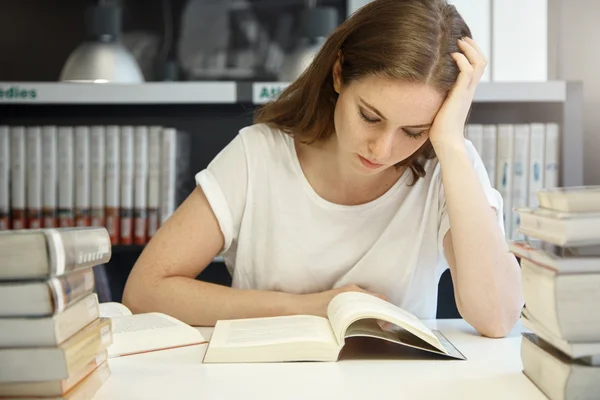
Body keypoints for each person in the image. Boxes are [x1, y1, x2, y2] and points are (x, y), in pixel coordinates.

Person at [123, 0, 524, 338]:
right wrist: (313, 308)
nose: (383, 149)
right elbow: (144, 292)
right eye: (370, 116)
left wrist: (452, 146)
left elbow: (498, 318)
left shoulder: (448, 168)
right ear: (338, 74)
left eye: (414, 130)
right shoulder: (258, 155)